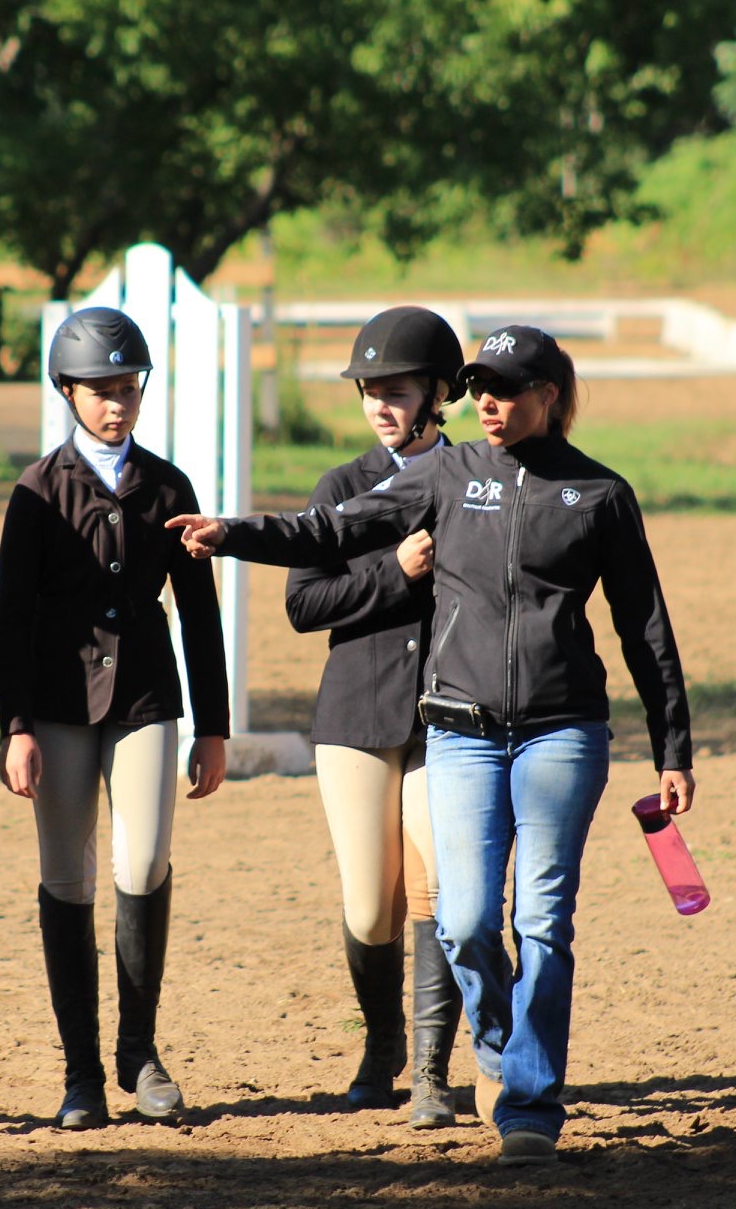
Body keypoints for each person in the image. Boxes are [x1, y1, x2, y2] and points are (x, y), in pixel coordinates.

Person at [168, 324, 694, 1164]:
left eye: (506, 388)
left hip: (563, 730)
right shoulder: (449, 474)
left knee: (544, 919)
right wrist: (233, 533)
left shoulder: (601, 494)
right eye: (478, 386)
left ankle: (528, 1104)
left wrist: (673, 747)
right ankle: (496, 1047)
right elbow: (328, 534)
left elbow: (646, 631)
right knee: (467, 917)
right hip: (461, 730)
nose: (487, 401)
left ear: (548, 397)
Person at [0, 306, 230, 1130]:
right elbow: (8, 619)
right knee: (68, 877)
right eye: (100, 391)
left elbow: (199, 613)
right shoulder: (35, 491)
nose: (117, 404)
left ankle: (140, 1049)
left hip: (144, 698)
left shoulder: (169, 487)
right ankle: (81, 1072)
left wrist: (213, 725)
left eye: (127, 388)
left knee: (145, 862)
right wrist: (14, 725)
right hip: (56, 703)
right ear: (68, 391)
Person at [282, 306, 467, 1126]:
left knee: (436, 888)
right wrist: (393, 574)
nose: (381, 407)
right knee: (369, 907)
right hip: (356, 711)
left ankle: (429, 1068)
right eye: (369, 394)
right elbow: (303, 603)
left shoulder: (475, 478)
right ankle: (381, 1044)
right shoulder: (342, 488)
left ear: (438, 395)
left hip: (449, 713)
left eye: (396, 392)